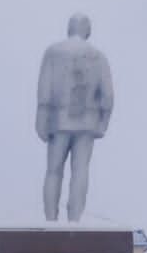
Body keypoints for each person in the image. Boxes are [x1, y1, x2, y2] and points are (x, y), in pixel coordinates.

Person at [36, 13, 114, 223]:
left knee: (53, 170)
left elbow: (44, 89)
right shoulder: (98, 57)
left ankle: (51, 218)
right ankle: (75, 219)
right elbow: (108, 95)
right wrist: (103, 123)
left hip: (58, 119)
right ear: (87, 30)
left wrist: (41, 119)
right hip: (87, 122)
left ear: (69, 28)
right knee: (81, 170)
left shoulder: (53, 52)